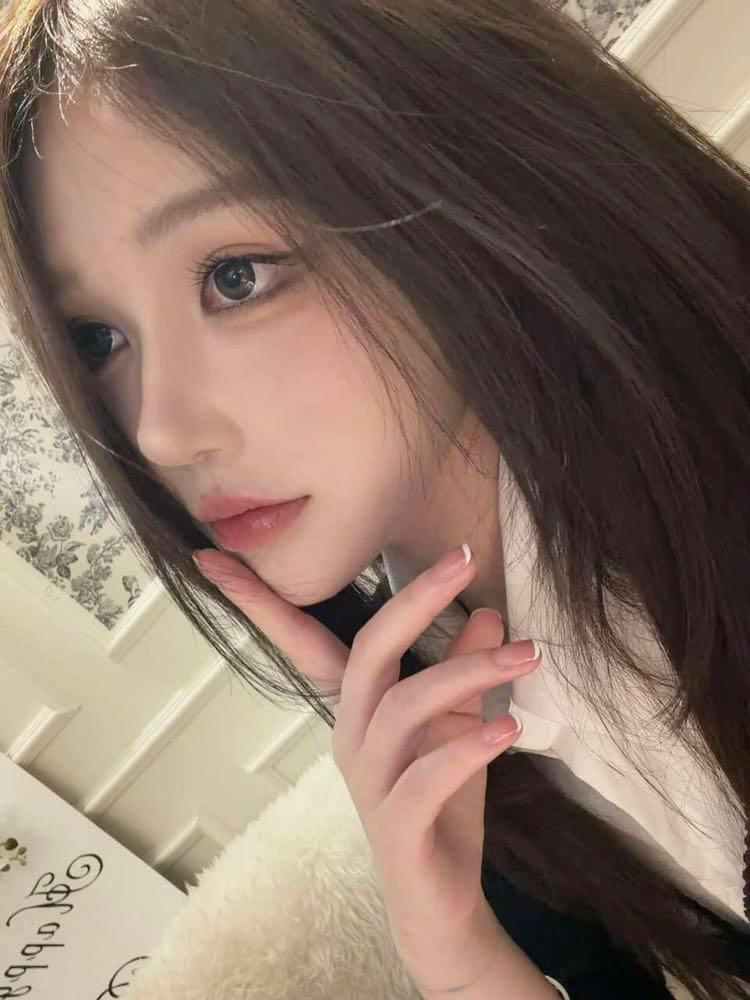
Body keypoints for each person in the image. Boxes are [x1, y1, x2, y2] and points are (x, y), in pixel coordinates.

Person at [1, 0, 749, 996]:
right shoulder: (424, 684)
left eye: (235, 277)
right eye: (100, 340)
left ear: (452, 182)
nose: (159, 431)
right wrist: (457, 947)